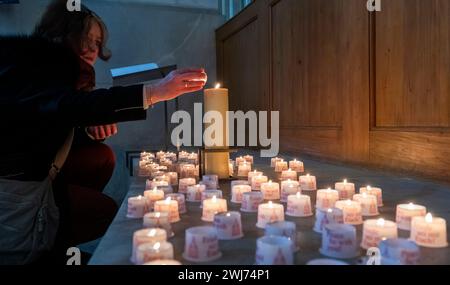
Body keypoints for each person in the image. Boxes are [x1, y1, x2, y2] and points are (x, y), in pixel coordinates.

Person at [0, 0, 207, 264]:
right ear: (60, 32)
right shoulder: (33, 67)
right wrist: (155, 91)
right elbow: (59, 106)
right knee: (105, 210)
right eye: (85, 38)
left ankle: (55, 234)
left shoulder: (48, 68)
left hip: (38, 173)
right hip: (14, 193)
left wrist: (87, 127)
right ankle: (45, 244)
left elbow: (49, 123)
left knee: (101, 155)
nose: (92, 49)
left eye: (97, 42)